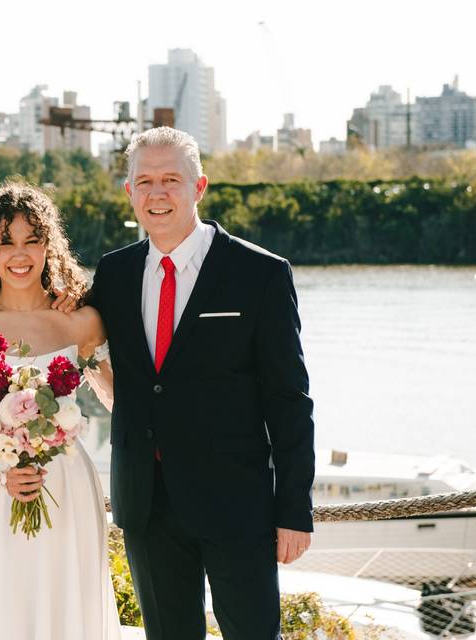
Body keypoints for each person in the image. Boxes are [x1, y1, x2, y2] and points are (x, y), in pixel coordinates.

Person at [86, 127, 316, 639]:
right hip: (146, 502)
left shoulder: (259, 274)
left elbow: (289, 401)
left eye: (172, 179)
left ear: (200, 186)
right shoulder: (114, 274)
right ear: (128, 192)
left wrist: (295, 510)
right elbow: (51, 314)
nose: (157, 193)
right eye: (144, 181)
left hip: (237, 502)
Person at [0, 183, 121, 640]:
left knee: (63, 610)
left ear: (49, 244)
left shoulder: (81, 322)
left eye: (31, 240)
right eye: (5, 243)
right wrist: (0, 474)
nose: (19, 255)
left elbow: (120, 402)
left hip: (67, 489)